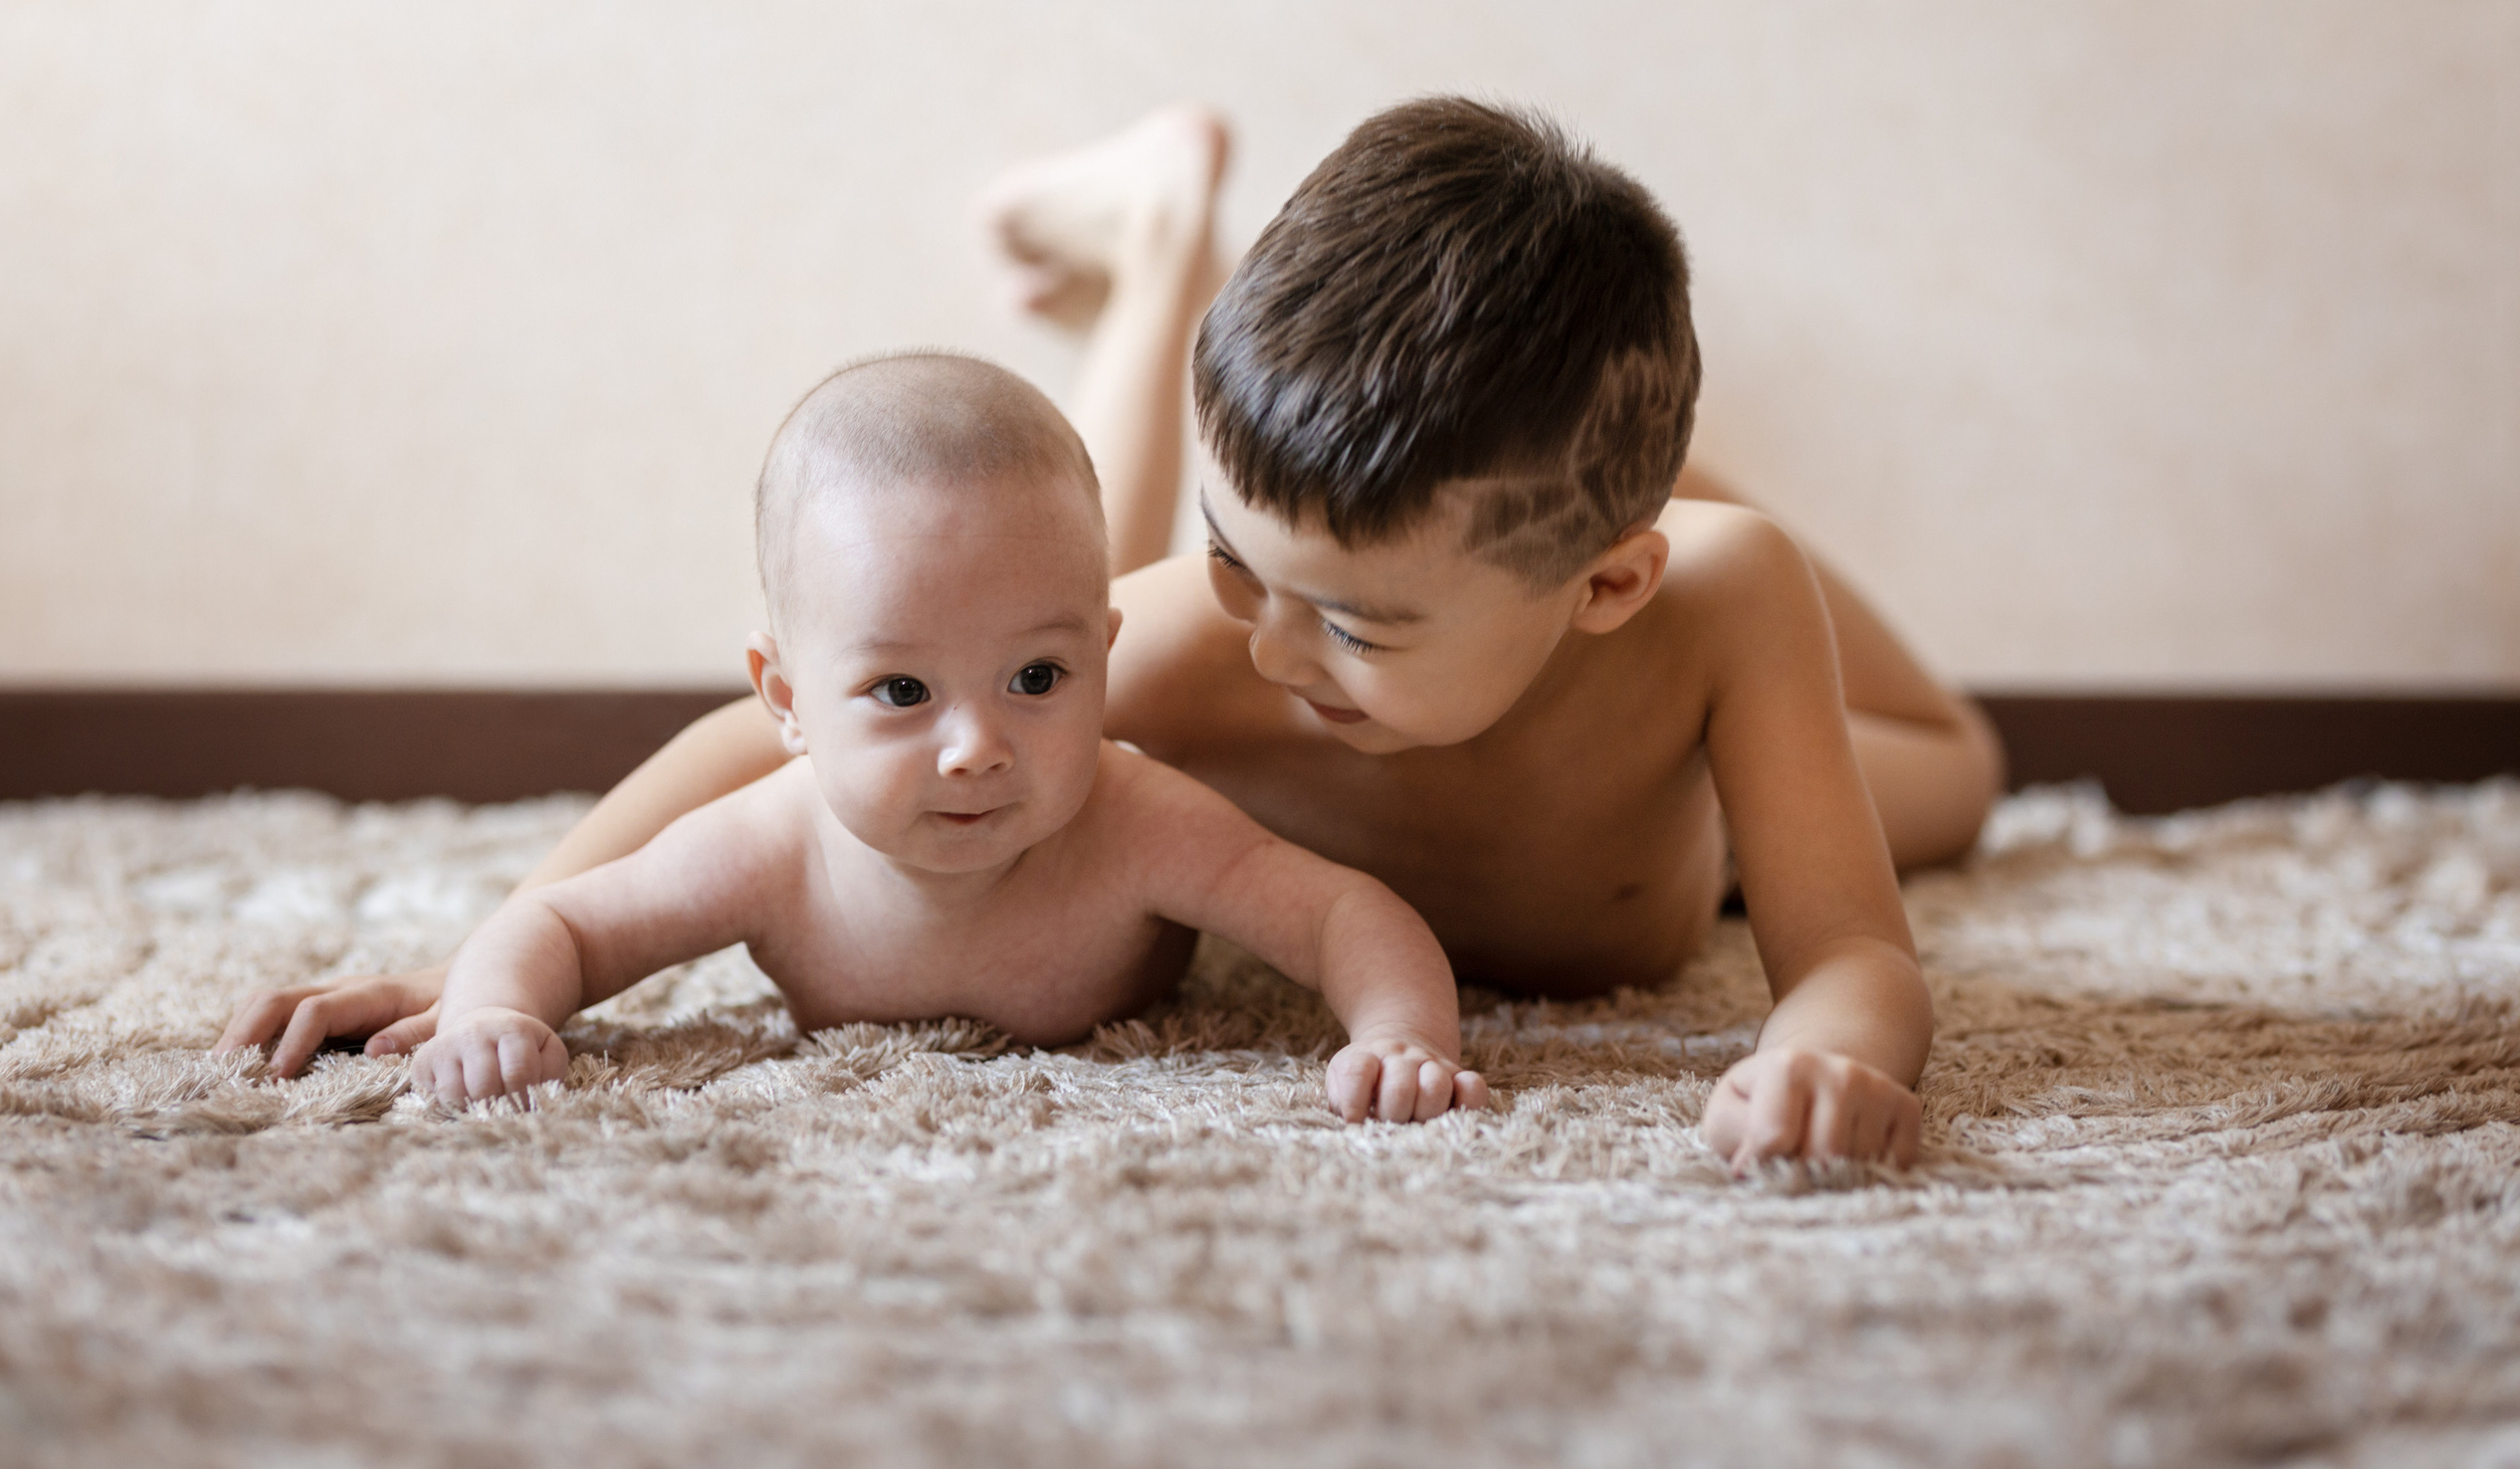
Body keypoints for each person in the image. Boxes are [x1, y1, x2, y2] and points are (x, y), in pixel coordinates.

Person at [221, 100, 2003, 1168]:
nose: (1282, 650)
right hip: (1411, 586)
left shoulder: (1708, 597)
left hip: (1668, 853)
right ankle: (1168, 237)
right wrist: (490, 947)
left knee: (1967, 780)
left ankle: (1634, 458)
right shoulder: (1219, 644)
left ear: (1604, 582)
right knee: (1074, 567)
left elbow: (1855, 949)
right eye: (1250, 568)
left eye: (1361, 621)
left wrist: (1824, 1055)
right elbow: (751, 756)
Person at [405, 352, 1486, 1120]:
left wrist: (1400, 1036)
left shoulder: (1139, 823)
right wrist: (491, 1010)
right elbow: (566, 927)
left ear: (1102, 662)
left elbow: (1341, 911)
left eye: (1036, 677)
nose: (975, 746)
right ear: (783, 698)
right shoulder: (767, 850)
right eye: (900, 690)